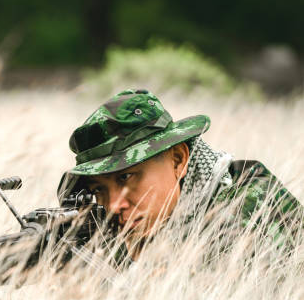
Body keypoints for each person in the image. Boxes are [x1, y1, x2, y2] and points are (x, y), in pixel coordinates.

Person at [57, 89, 302, 261]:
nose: (114, 205)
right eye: (99, 189)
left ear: (178, 160)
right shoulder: (163, 216)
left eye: (126, 178)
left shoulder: (245, 211)